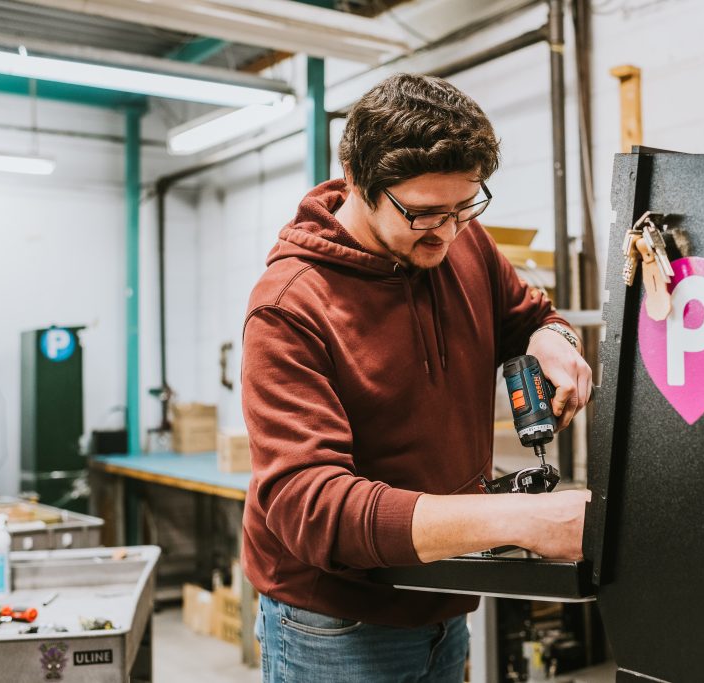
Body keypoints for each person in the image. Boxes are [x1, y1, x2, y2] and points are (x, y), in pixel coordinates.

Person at [241, 73, 593, 682]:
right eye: (425, 214)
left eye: (465, 207)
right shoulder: (289, 307)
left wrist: (553, 339)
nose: (449, 233)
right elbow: (313, 508)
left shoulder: (463, 242)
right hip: (336, 626)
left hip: (444, 598)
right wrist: (526, 522)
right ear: (357, 180)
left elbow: (531, 316)